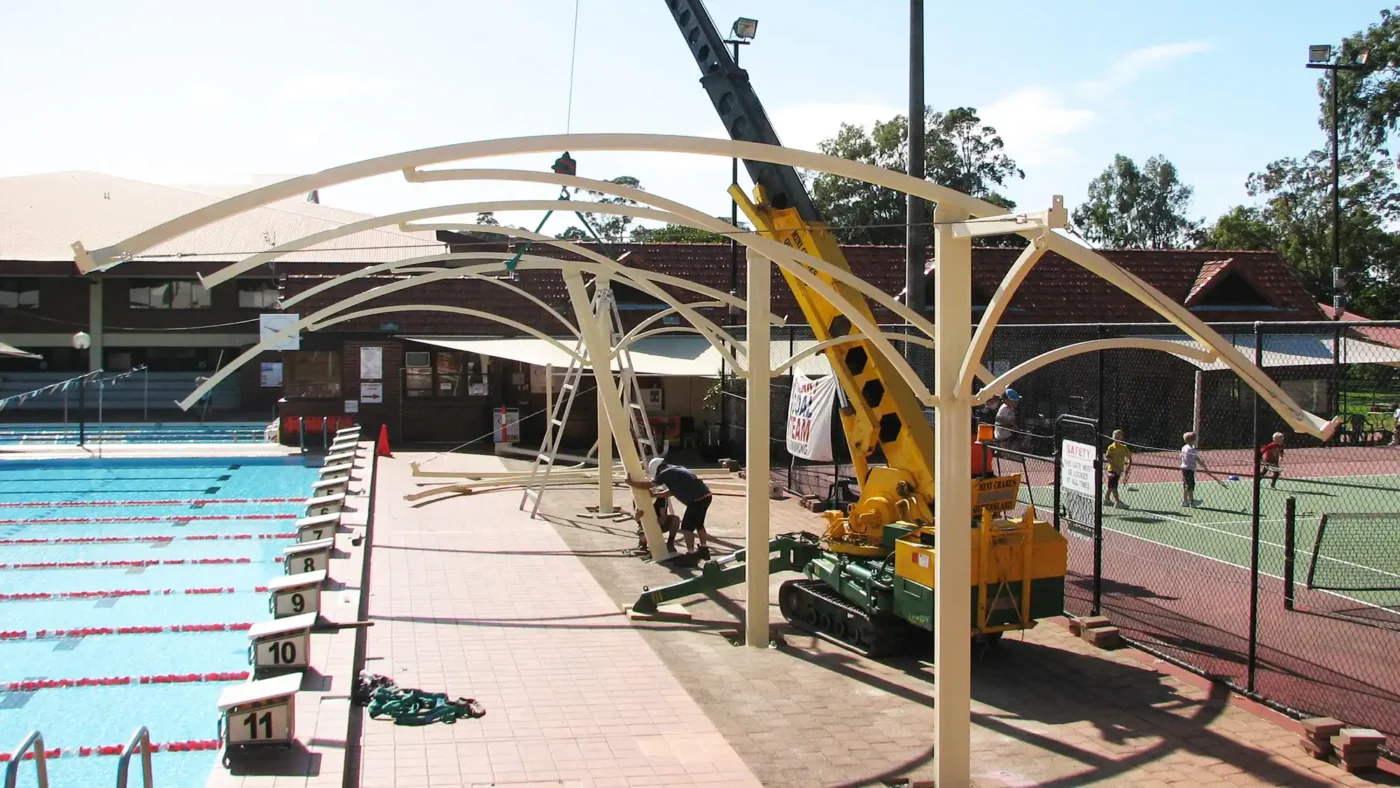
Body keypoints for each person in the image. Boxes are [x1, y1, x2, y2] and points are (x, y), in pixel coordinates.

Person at [628, 457, 711, 557]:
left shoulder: (665, 473)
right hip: (706, 496)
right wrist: (655, 495)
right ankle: (704, 548)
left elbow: (649, 485)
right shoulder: (676, 470)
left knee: (686, 528)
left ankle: (691, 554)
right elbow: (672, 491)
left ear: (657, 469)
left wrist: (631, 483)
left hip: (696, 500)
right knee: (698, 524)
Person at [1104, 429, 1134, 509]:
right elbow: (1108, 458)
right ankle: (1117, 501)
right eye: (1115, 436)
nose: (1116, 438)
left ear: (1121, 438)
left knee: (1111, 485)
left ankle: (1106, 498)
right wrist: (1116, 468)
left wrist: (1127, 468)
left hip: (1119, 470)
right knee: (1114, 486)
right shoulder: (1111, 448)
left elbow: (1130, 458)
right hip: (1112, 469)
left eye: (1118, 437)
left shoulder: (1123, 448)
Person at [1180, 431, 1210, 508]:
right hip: (1189, 470)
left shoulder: (1184, 447)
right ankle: (1192, 502)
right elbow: (1199, 460)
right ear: (1192, 440)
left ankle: (1185, 501)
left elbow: (1181, 456)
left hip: (1184, 469)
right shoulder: (1192, 450)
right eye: (1195, 439)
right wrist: (1206, 468)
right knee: (1189, 486)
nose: (1196, 440)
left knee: (1186, 486)